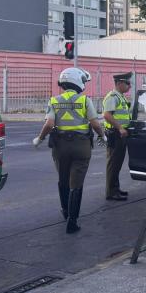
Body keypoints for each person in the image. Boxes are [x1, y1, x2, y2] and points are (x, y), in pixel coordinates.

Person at [33, 68, 106, 234]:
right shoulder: (84, 100)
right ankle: (72, 222)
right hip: (81, 146)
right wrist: (103, 136)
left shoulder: (54, 100)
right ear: (77, 81)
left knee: (63, 179)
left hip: (60, 146)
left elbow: (49, 125)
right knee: (77, 183)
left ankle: (65, 211)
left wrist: (40, 138)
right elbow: (95, 124)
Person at [103, 72, 132, 201]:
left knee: (117, 163)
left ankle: (115, 188)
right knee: (113, 164)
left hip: (120, 134)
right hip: (115, 134)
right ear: (119, 83)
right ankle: (111, 192)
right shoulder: (112, 97)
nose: (129, 86)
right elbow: (107, 115)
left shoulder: (120, 97)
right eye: (127, 83)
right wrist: (120, 127)